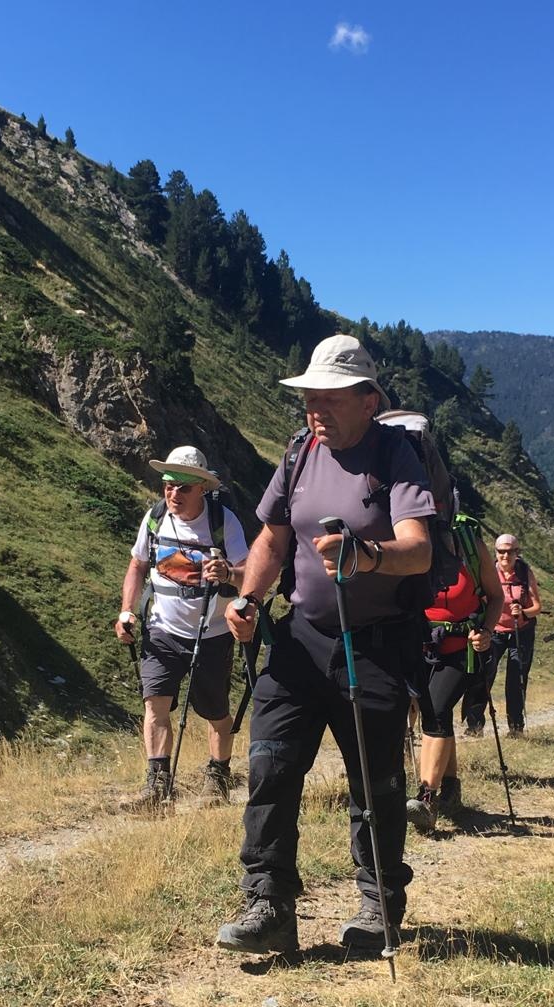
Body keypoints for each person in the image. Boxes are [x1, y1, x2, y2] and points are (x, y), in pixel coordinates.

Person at [215, 335, 435, 955]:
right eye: (310, 397)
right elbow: (271, 540)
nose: (316, 409)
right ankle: (269, 903)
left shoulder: (395, 456)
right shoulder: (299, 453)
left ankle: (379, 903)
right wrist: (249, 599)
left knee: (375, 783)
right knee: (271, 764)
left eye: (330, 398)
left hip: (375, 645)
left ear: (368, 401)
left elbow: (418, 549)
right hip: (301, 638)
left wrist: (366, 556)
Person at [115, 446, 249, 810]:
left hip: (213, 633)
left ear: (202, 488)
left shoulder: (224, 523)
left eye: (184, 487)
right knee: (155, 704)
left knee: (215, 711)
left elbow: (250, 576)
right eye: (168, 485)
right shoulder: (155, 517)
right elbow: (137, 565)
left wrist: (228, 574)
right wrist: (127, 611)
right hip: (162, 630)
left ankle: (218, 776)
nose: (174, 493)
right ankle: (157, 785)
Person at [406, 519, 504, 832]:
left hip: (464, 648)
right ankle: (450, 788)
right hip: (419, 645)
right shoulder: (408, 539)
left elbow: (496, 596)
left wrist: (486, 631)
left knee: (435, 709)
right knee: (438, 712)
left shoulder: (470, 544)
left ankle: (426, 799)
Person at [464, 534, 542, 737]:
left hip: (520, 631)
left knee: (516, 678)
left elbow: (536, 607)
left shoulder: (524, 573)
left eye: (510, 551)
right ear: (495, 552)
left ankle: (516, 727)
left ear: (517, 553)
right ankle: (475, 725)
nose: (505, 555)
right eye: (501, 551)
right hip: (494, 630)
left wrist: (523, 612)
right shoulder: (489, 571)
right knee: (483, 675)